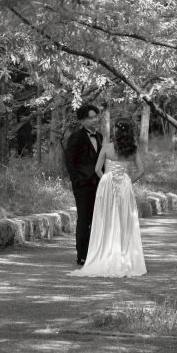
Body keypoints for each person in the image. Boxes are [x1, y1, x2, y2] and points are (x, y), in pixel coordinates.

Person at [80, 118, 147, 277]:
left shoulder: (106, 147)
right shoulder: (133, 150)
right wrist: (128, 181)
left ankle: (105, 253)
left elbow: (97, 169)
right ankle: (124, 256)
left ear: (116, 130)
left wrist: (106, 180)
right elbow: (141, 170)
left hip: (107, 186)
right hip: (124, 186)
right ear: (129, 131)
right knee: (124, 220)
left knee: (106, 219)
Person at [64, 103, 103, 266]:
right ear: (82, 120)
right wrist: (76, 181)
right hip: (82, 184)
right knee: (84, 218)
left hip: (99, 183)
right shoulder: (76, 136)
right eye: (91, 117)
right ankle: (82, 255)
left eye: (96, 116)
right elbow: (69, 161)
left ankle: (94, 253)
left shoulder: (100, 136)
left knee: (97, 219)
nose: (95, 120)